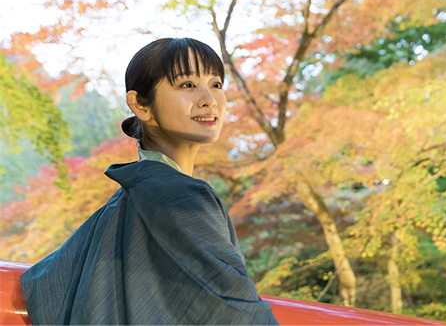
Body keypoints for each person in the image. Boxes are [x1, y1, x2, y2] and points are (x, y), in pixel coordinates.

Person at [20, 38, 279, 325]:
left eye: (216, 84)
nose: (209, 99)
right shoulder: (181, 195)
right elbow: (239, 313)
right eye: (187, 85)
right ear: (141, 106)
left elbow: (46, 286)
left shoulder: (127, 197)